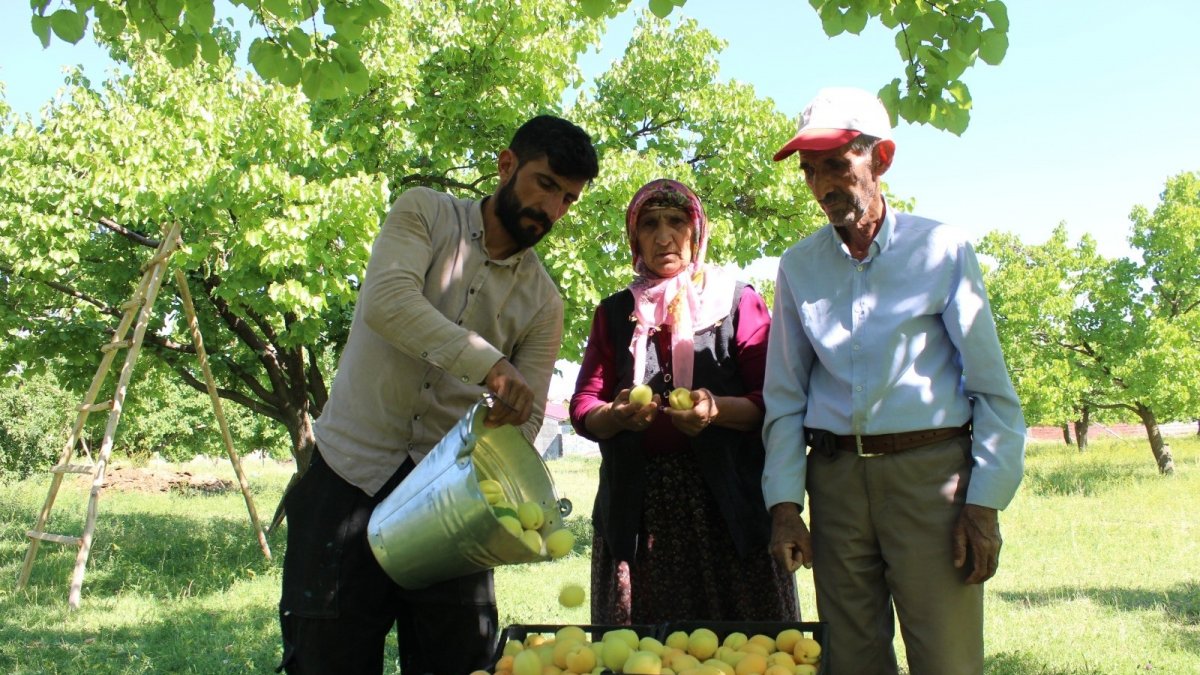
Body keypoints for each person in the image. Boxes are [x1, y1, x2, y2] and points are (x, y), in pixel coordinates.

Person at [277, 115, 599, 675]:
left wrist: (507, 429)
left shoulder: (545, 302)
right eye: (545, 185)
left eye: (567, 199)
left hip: (454, 508)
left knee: (456, 663)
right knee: (326, 659)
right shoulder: (423, 211)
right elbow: (388, 302)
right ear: (506, 165)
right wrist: (490, 365)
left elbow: (520, 429)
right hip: (347, 476)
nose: (552, 210)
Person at [762, 87, 1026, 674]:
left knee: (946, 657)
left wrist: (983, 504)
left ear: (880, 159)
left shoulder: (942, 249)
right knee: (850, 659)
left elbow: (992, 392)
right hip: (834, 483)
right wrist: (784, 504)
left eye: (837, 164)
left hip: (930, 480)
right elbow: (785, 398)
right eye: (810, 170)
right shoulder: (799, 266)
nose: (822, 185)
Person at [570, 178, 799, 625]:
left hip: (726, 506)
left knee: (743, 648)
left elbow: (771, 402)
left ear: (696, 232)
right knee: (642, 649)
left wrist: (715, 411)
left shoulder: (737, 303)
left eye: (676, 222)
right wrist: (615, 416)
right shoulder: (615, 313)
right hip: (637, 507)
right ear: (633, 237)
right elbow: (583, 405)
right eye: (649, 224)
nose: (663, 236)